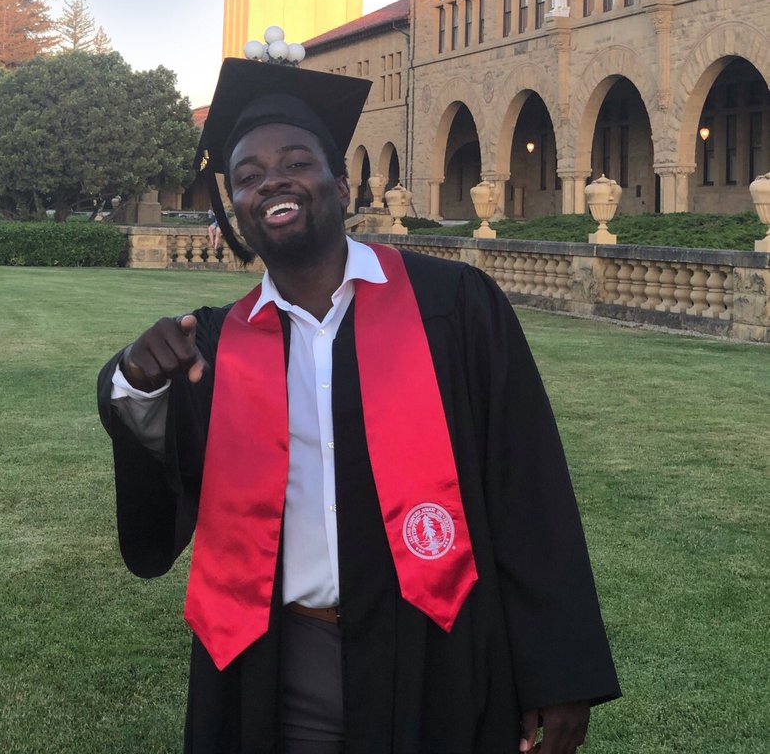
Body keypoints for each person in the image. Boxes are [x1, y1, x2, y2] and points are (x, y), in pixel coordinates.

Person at [98, 59, 620, 753]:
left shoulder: (454, 307)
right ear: (239, 211)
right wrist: (133, 379)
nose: (270, 182)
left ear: (341, 185)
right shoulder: (218, 345)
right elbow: (162, 501)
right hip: (279, 659)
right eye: (247, 176)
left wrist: (559, 672)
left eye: (294, 162)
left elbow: (529, 489)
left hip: (439, 644)